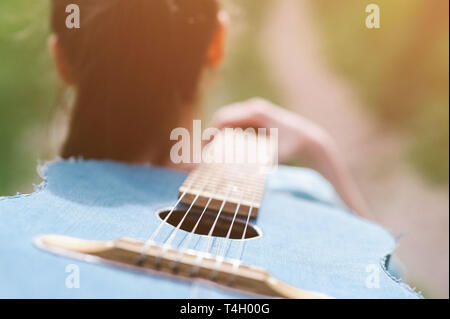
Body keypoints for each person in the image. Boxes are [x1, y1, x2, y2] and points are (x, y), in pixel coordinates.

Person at [50, 0, 372, 220]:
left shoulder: (20, 226)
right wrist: (319, 149)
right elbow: (385, 282)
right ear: (218, 41)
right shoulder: (304, 198)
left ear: (60, 61)